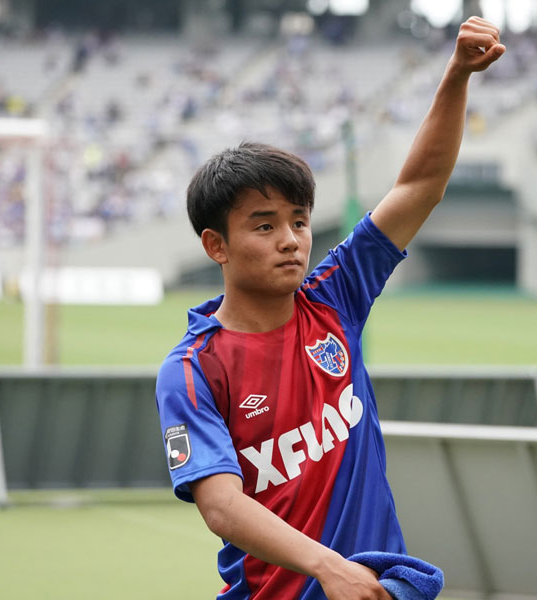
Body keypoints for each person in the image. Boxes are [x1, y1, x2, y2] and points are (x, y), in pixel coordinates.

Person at [155, 16, 505, 600]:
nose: (290, 240)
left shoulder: (336, 297)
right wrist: (327, 566)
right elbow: (220, 506)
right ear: (216, 246)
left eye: (299, 221)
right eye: (264, 226)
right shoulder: (192, 369)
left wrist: (457, 76)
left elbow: (418, 186)